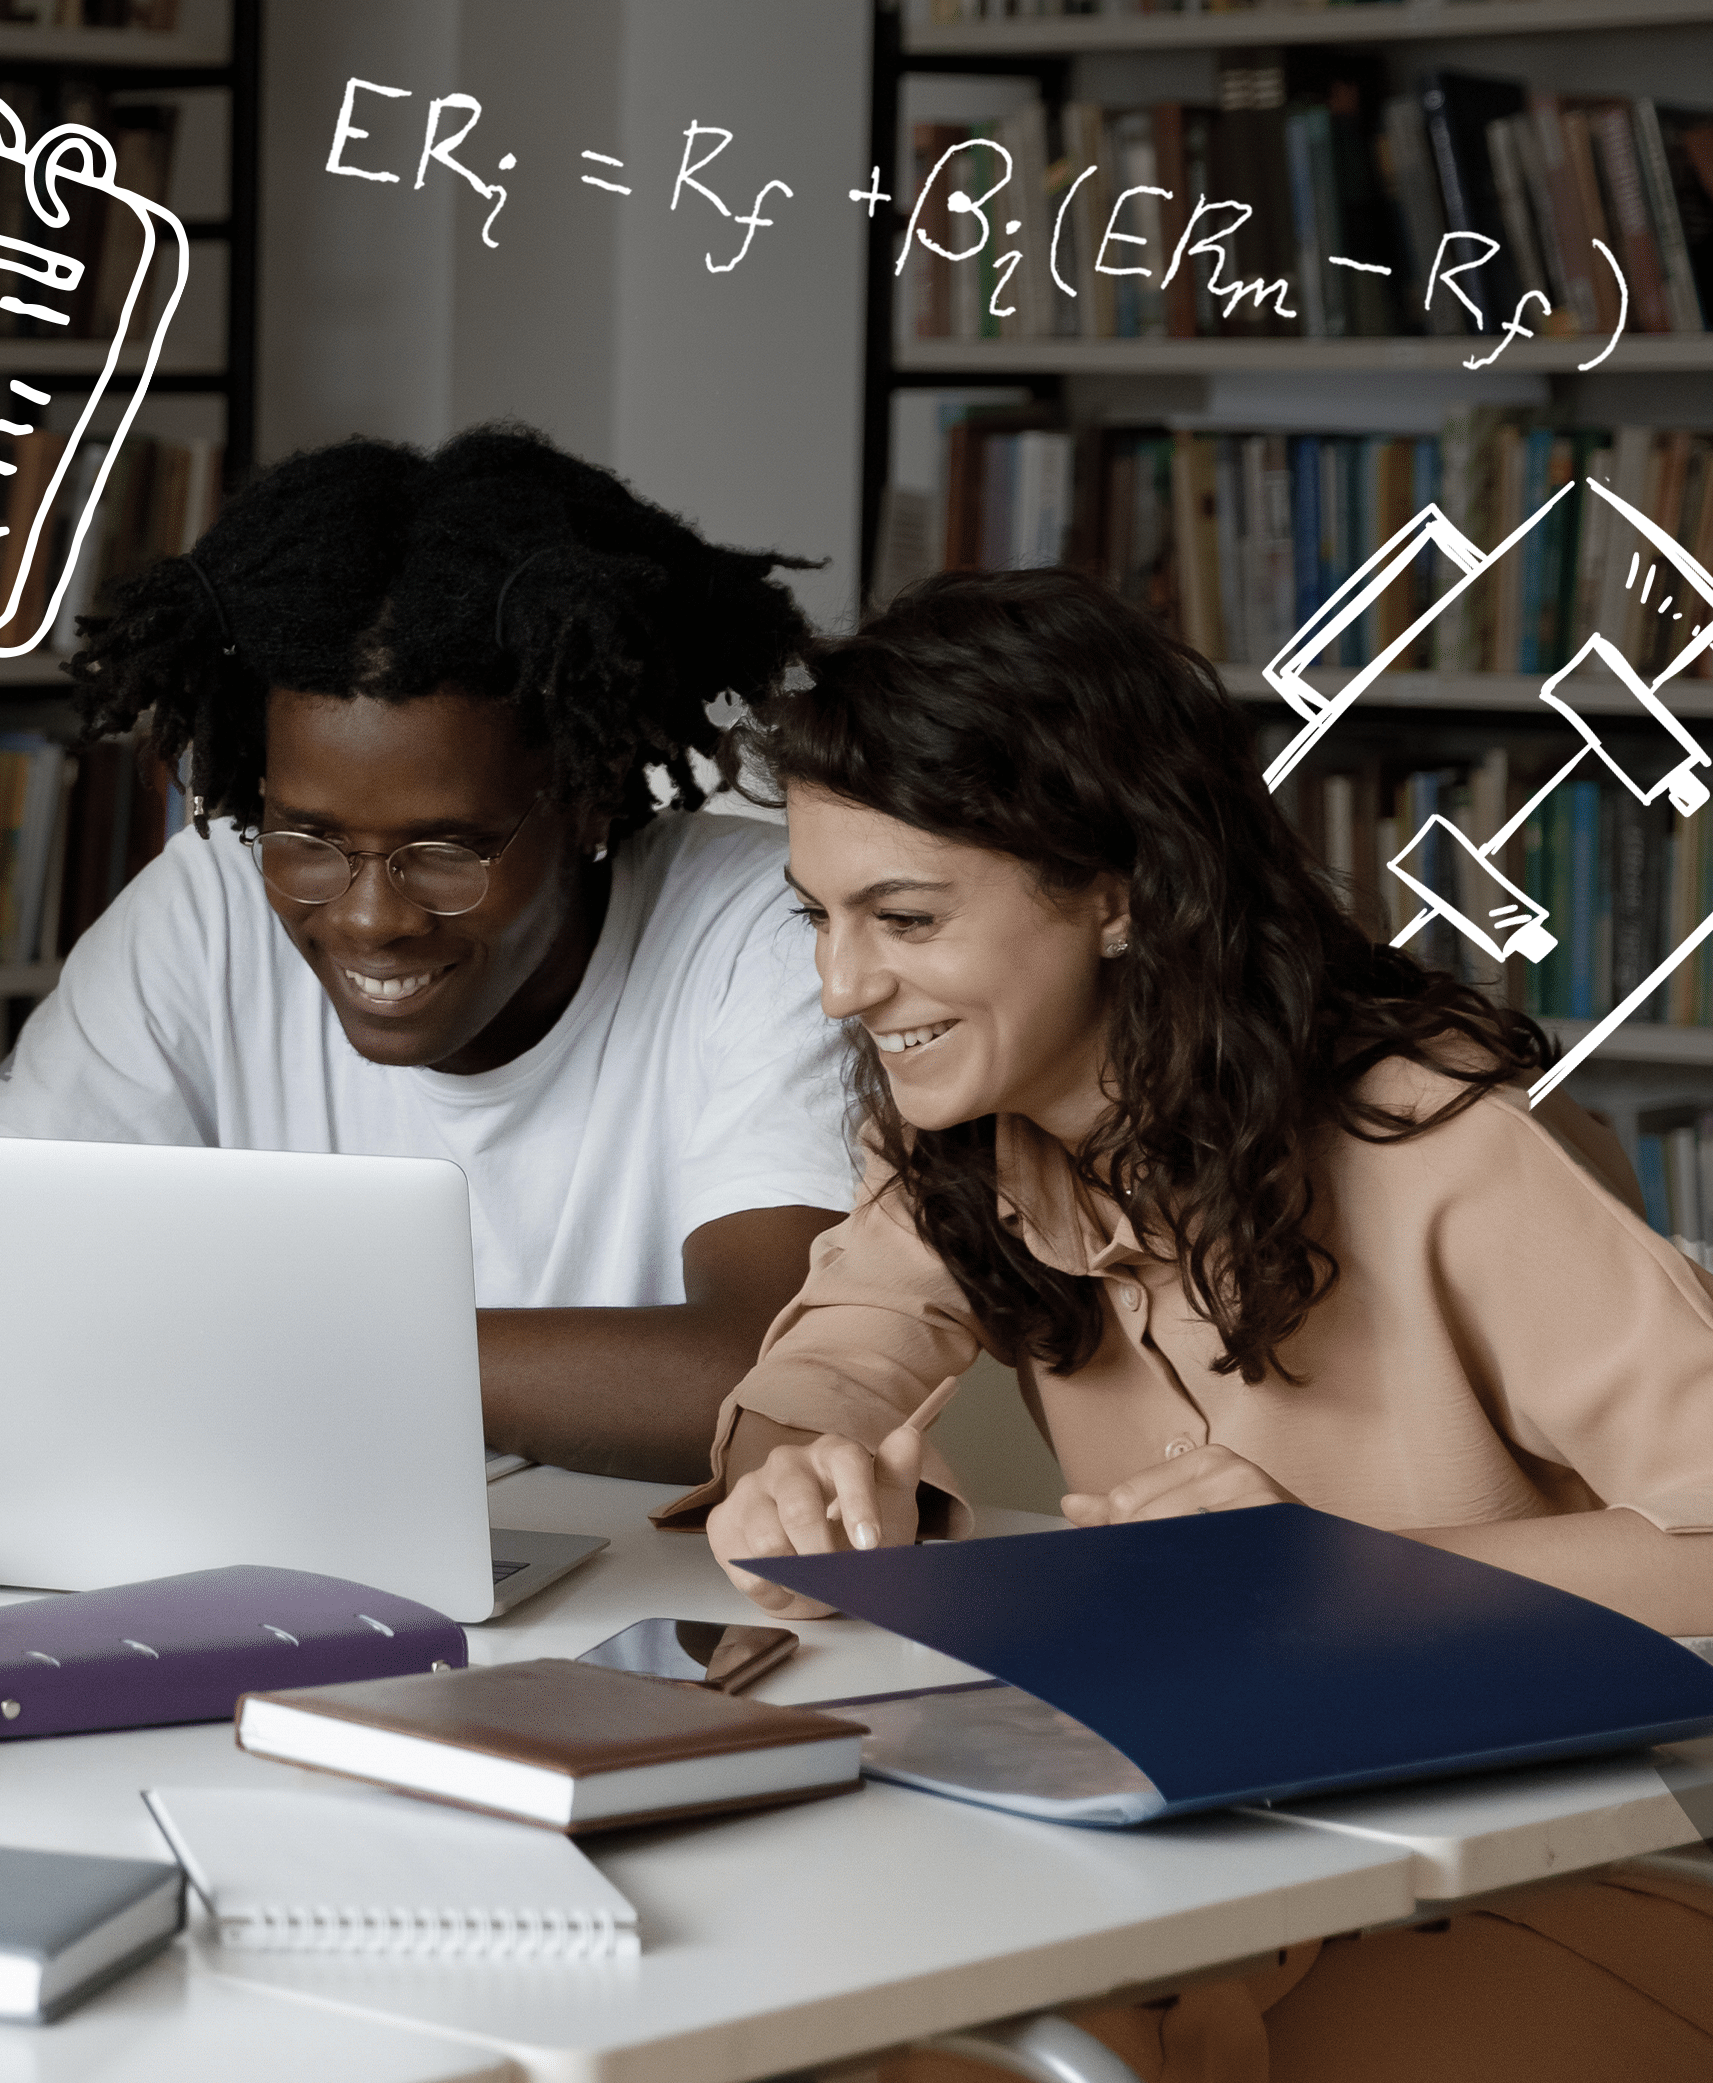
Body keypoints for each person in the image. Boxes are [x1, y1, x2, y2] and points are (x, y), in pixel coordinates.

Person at [711, 571, 1713, 2081]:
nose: (841, 983)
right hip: (1205, 1859)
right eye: (820, 916)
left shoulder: (1430, 1140)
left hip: (1536, 1875)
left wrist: (1329, 1576)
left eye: (903, 917)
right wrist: (807, 1464)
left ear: (1116, 887)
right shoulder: (976, 1129)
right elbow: (846, 1340)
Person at [0, 426, 853, 1479]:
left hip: (666, 1624)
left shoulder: (765, 928)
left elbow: (773, 1374)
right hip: (286, 1595)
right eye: (309, 839)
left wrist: (269, 1350)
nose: (370, 917)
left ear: (590, 799)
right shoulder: (208, 899)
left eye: (447, 850)